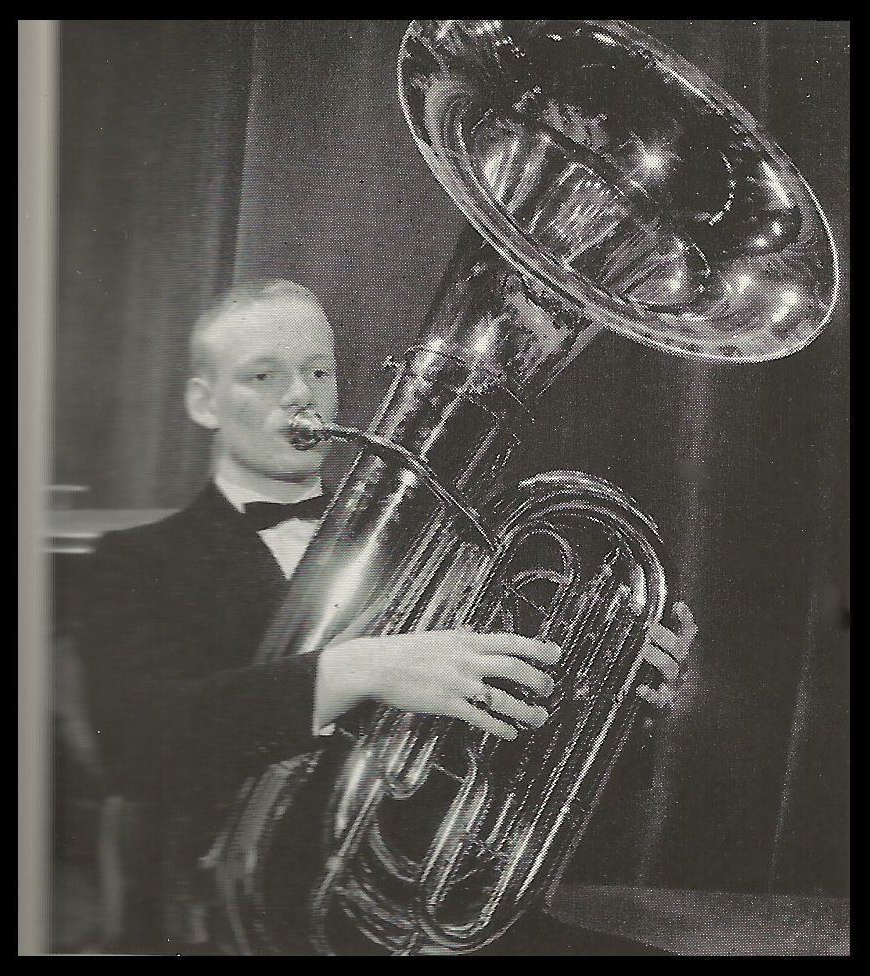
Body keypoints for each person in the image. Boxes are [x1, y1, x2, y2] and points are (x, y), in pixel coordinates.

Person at [79, 280, 697, 955]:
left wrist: (610, 685)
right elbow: (137, 744)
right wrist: (358, 671)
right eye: (264, 375)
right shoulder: (138, 561)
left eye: (319, 372)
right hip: (242, 928)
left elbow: (509, 755)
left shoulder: (444, 544)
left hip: (430, 921)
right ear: (204, 402)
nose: (301, 394)